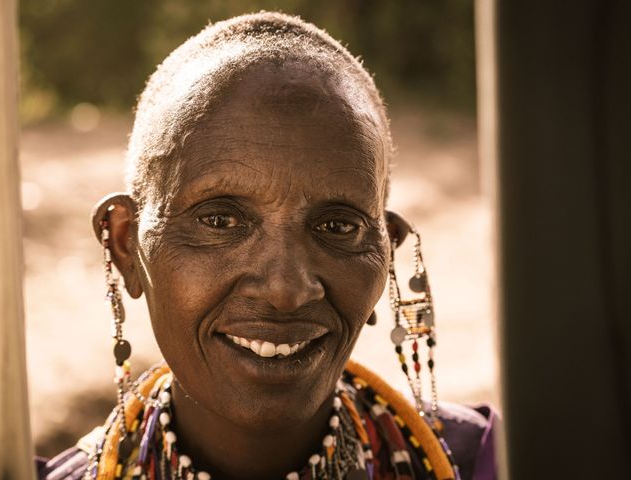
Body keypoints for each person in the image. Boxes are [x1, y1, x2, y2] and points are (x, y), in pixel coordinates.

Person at [36, 12, 496, 480]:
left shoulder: (492, 461)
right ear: (126, 246)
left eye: (338, 227)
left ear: (386, 252)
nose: (284, 290)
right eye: (220, 220)